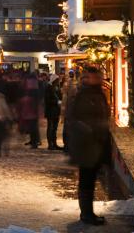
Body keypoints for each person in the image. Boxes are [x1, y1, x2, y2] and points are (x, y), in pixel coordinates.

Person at [67, 66, 110, 226]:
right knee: (87, 179)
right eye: (95, 76)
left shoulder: (98, 93)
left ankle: (88, 213)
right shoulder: (82, 94)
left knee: (90, 179)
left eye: (99, 76)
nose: (99, 79)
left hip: (96, 143)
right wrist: (90, 129)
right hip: (86, 144)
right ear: (87, 78)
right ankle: (86, 214)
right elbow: (74, 118)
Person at [19, 71, 41, 148]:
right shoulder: (34, 87)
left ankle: (34, 142)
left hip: (31, 111)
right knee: (33, 127)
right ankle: (34, 141)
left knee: (33, 127)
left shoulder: (31, 89)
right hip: (31, 111)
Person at [62, 69, 79, 151]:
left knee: (68, 128)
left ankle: (67, 145)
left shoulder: (70, 84)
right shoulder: (72, 84)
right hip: (70, 111)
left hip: (69, 111)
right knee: (68, 129)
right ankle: (67, 145)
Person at [44, 74, 62, 150]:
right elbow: (47, 100)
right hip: (50, 111)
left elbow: (60, 97)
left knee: (55, 128)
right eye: (57, 80)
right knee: (50, 127)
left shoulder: (57, 88)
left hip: (56, 110)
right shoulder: (49, 88)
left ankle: (54, 143)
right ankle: (50, 144)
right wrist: (56, 102)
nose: (58, 81)